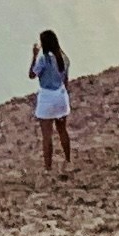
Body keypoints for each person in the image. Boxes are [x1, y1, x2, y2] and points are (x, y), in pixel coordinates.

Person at [27, 29, 74, 177]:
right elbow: (66, 81)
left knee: (47, 135)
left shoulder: (44, 60)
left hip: (47, 98)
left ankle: (48, 168)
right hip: (60, 96)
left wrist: (34, 55)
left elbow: (32, 75)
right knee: (62, 131)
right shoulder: (64, 58)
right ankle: (68, 159)